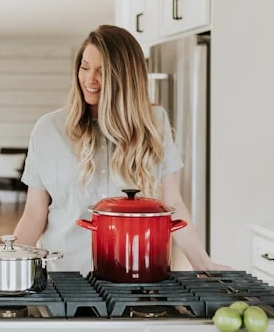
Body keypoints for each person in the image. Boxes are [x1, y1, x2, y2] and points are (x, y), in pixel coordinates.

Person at [13, 24, 228, 275]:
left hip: (139, 278)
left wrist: (202, 263)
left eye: (102, 72)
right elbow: (33, 215)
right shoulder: (48, 129)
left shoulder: (155, 123)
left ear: (125, 78)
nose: (89, 80)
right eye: (84, 67)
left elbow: (173, 204)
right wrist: (5, 266)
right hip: (66, 280)